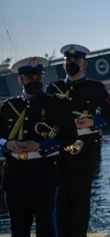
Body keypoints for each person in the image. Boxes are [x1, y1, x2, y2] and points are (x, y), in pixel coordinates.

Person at [46, 44, 110, 237]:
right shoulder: (53, 88)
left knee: (80, 201)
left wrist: (93, 122)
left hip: (86, 151)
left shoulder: (96, 88)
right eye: (68, 61)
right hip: (59, 151)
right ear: (63, 64)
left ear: (84, 64)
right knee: (60, 201)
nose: (72, 63)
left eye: (76, 61)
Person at [1, 57, 76, 237]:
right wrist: (8, 144)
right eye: (29, 78)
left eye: (38, 77)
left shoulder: (57, 104)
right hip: (15, 174)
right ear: (20, 80)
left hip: (45, 172)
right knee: (18, 227)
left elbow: (69, 136)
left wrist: (40, 146)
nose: (34, 81)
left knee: (47, 226)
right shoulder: (10, 106)